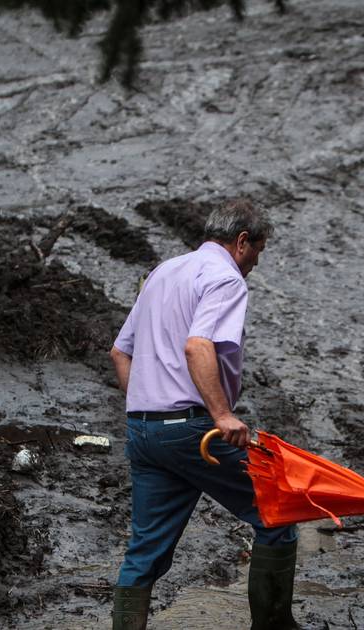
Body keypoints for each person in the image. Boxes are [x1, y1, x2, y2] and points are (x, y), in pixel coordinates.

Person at [108, 199, 301, 630]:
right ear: (242, 242)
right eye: (257, 252)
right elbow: (198, 345)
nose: (254, 264)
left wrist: (147, 404)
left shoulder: (164, 271)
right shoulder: (225, 278)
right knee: (278, 512)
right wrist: (222, 414)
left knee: (143, 552)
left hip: (144, 431)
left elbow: (120, 352)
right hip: (195, 432)